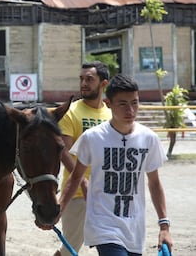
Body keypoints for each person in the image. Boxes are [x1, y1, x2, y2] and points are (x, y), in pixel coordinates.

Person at [57, 74, 173, 255]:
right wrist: (59, 209)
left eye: (134, 103)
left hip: (134, 228)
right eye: (123, 104)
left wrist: (164, 226)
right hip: (103, 225)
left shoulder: (149, 138)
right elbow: (76, 177)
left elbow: (155, 183)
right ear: (108, 103)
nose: (130, 110)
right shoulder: (92, 137)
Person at [55, 61, 112, 256]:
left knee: (111, 246)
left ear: (103, 84)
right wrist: (82, 181)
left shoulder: (111, 114)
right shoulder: (71, 112)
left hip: (107, 194)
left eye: (89, 79)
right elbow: (64, 151)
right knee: (69, 250)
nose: (84, 83)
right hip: (77, 195)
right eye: (81, 79)